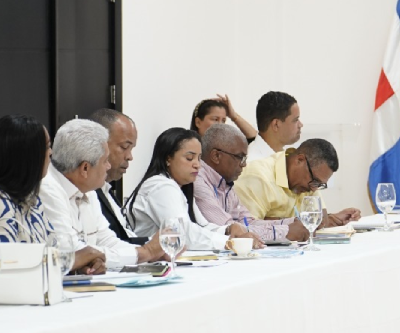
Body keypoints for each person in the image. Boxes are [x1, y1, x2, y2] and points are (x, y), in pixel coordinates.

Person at [0, 114, 105, 273]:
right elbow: (10, 269)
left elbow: (52, 251)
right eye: (47, 147)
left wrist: (81, 265)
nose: (51, 153)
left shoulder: (29, 198)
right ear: (27, 156)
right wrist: (74, 260)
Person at [39, 119, 169, 267]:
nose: (108, 166)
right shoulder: (47, 189)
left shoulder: (88, 188)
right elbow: (72, 253)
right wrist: (146, 252)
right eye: (105, 160)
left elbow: (106, 240)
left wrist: (147, 254)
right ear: (85, 169)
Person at [125, 128, 262, 251]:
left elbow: (201, 225)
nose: (197, 165)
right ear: (168, 159)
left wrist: (227, 229)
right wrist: (230, 242)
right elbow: (182, 234)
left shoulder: (181, 187)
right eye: (189, 158)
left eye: (199, 158)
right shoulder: (160, 186)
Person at [195, 124, 306, 243]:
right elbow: (231, 230)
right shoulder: (198, 180)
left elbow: (247, 222)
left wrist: (290, 223)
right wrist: (285, 232)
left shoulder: (225, 183)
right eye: (240, 157)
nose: (244, 164)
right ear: (216, 156)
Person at [235, 138, 361, 226]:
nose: (314, 189)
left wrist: (334, 218)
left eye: (320, 184)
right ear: (300, 160)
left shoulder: (309, 184)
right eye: (315, 181)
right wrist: (295, 223)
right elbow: (247, 227)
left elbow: (319, 219)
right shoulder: (258, 177)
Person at [87, 108, 146, 244]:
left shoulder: (106, 189)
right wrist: (148, 250)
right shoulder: (86, 190)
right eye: (125, 147)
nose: (130, 157)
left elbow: (123, 238)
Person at [246, 91, 303, 160]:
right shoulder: (254, 162)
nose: (300, 125)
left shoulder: (282, 155)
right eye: (295, 120)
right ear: (276, 124)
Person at [190, 94, 257, 142]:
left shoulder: (226, 149)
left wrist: (233, 116)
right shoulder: (185, 146)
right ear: (198, 122)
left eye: (223, 121)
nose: (220, 125)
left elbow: (254, 138)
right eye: (215, 119)